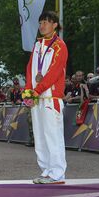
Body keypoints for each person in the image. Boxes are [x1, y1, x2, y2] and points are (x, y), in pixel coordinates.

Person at [23, 11, 68, 184]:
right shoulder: (37, 45)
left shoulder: (60, 46)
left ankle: (57, 174)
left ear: (55, 24)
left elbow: (54, 72)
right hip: (36, 98)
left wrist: (38, 89)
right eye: (40, 22)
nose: (42, 25)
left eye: (46, 22)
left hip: (50, 97)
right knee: (40, 137)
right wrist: (28, 90)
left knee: (53, 136)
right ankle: (46, 171)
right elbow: (29, 69)